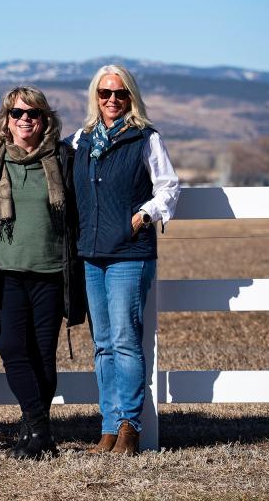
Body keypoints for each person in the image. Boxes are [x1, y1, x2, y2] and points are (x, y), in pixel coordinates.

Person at [70, 64, 180, 456]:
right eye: (105, 93)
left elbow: (168, 185)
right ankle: (108, 427)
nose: (112, 100)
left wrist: (144, 215)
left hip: (130, 253)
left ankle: (130, 426)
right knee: (102, 344)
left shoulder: (145, 138)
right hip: (91, 253)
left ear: (130, 96)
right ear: (95, 97)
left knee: (125, 340)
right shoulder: (79, 141)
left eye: (119, 93)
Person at [0, 86, 86, 459]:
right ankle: (41, 429)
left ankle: (32, 435)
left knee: (43, 355)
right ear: (7, 119)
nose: (25, 120)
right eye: (18, 114)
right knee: (11, 349)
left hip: (52, 271)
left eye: (33, 114)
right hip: (6, 271)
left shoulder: (64, 157)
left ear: (46, 119)